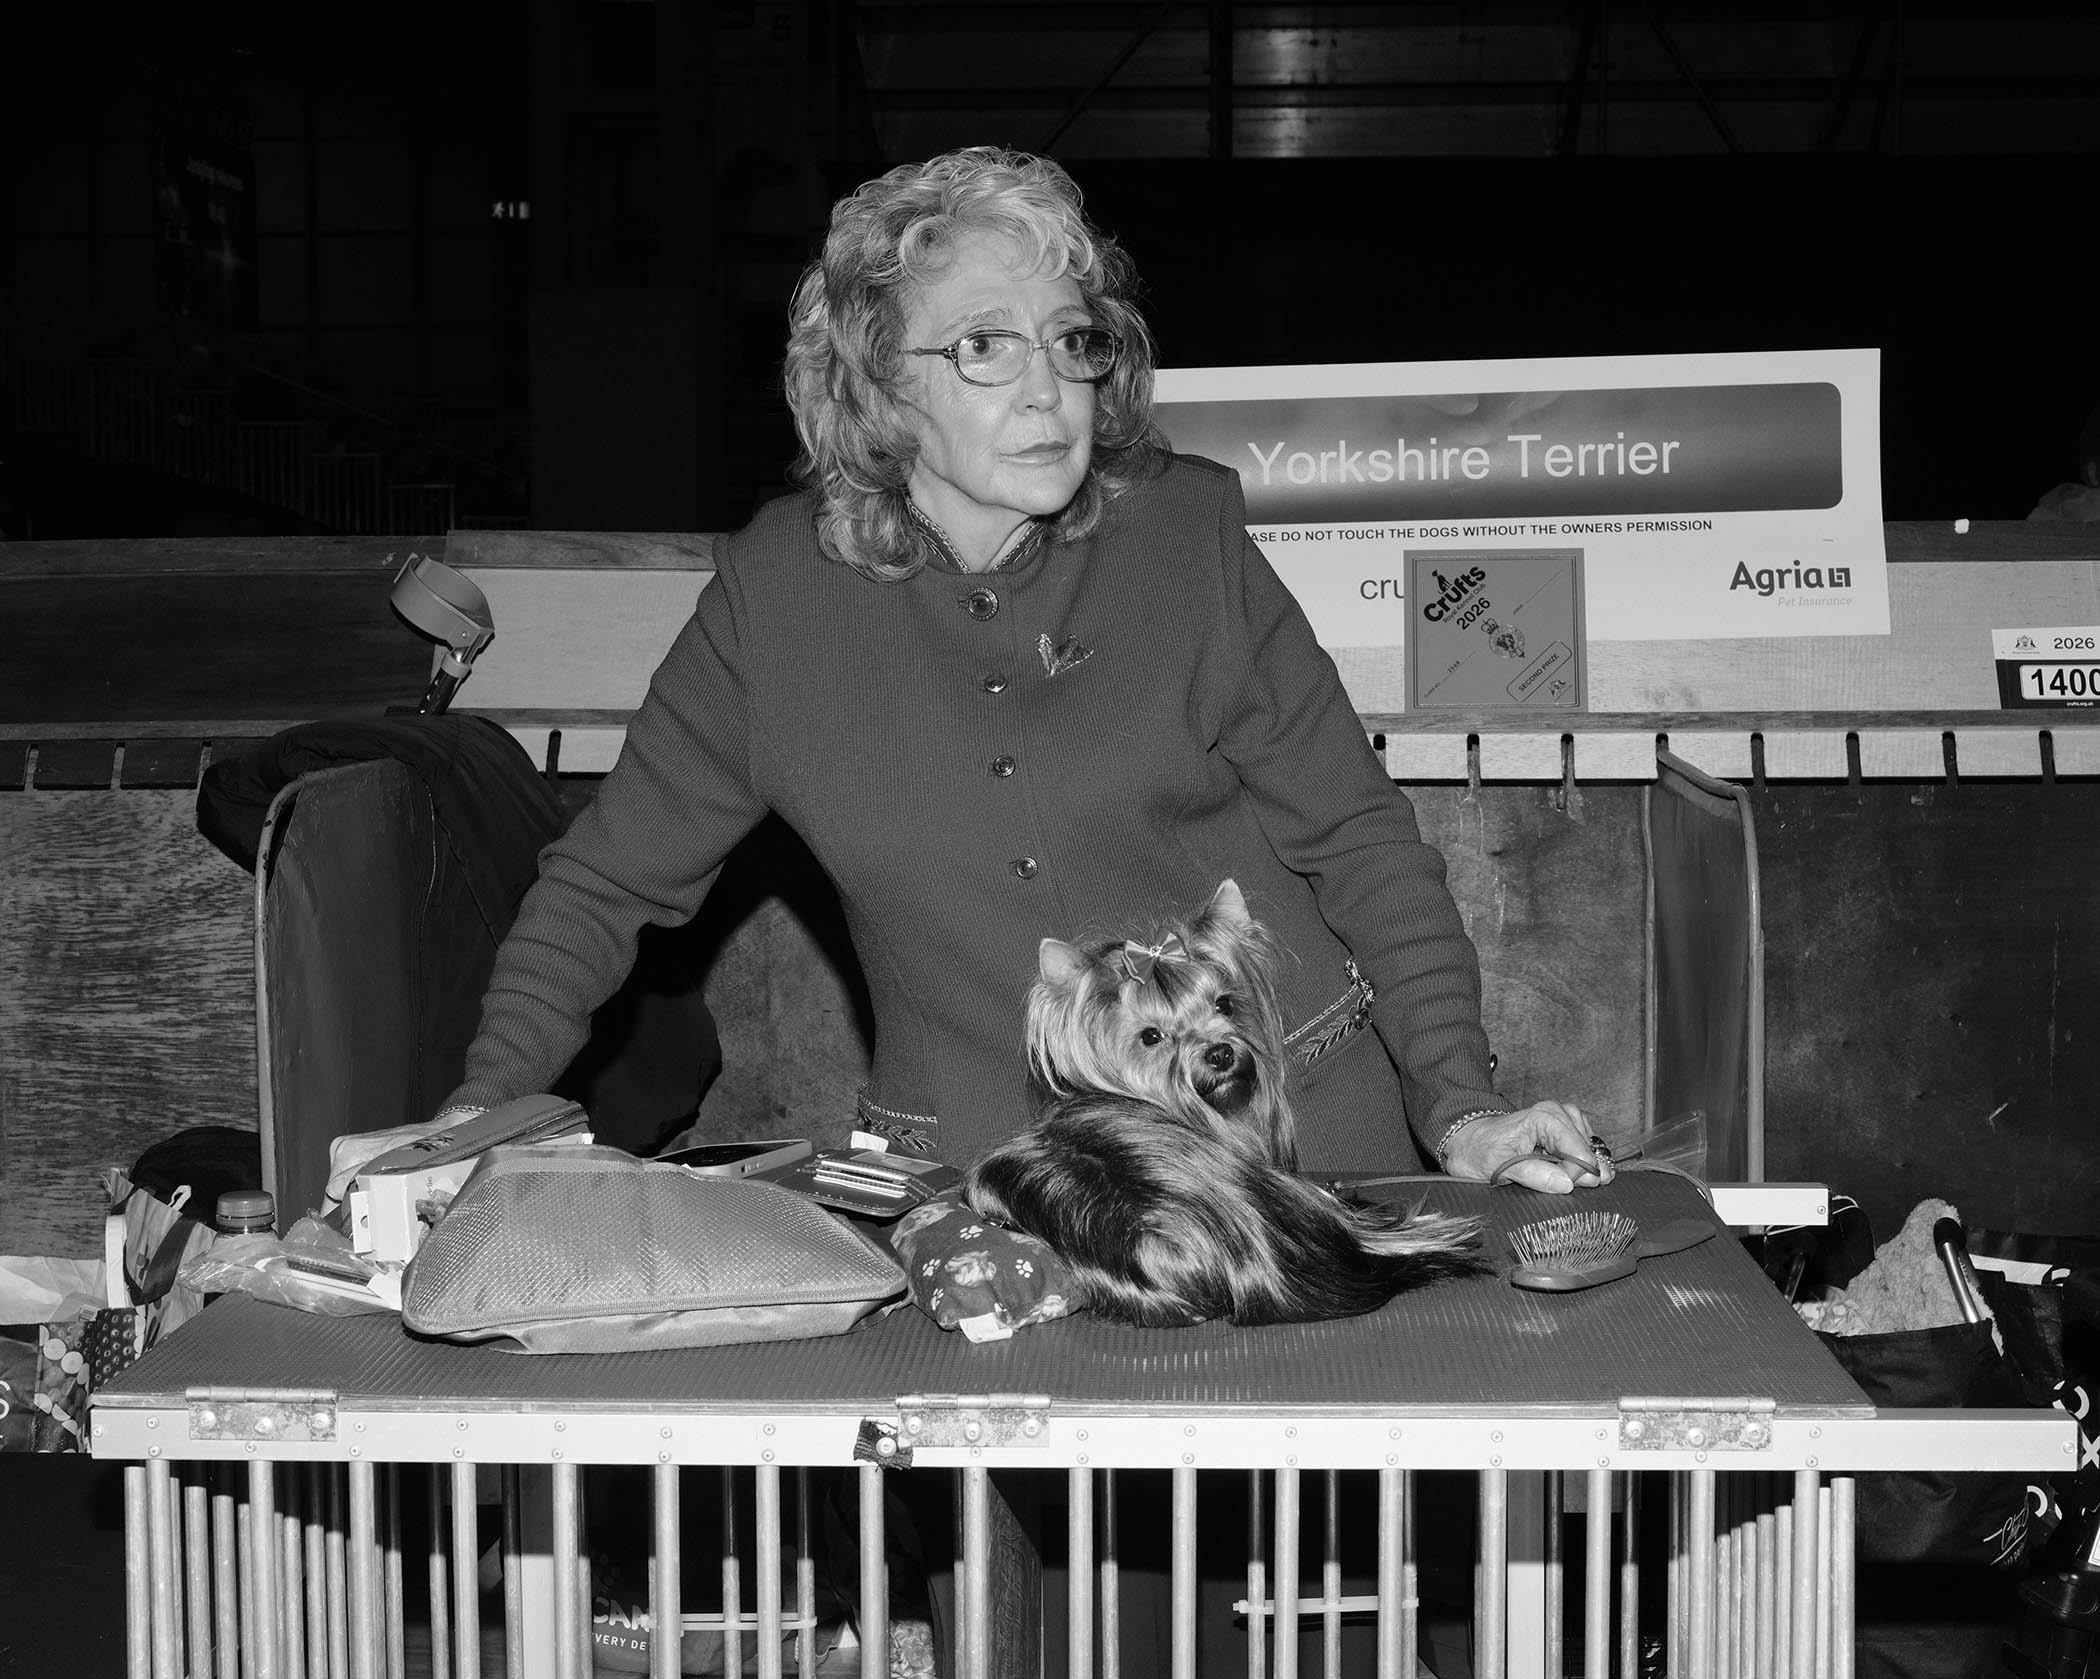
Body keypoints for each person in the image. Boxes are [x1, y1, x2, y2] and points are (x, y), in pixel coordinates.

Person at [434, 145, 1611, 1202]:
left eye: (1071, 338)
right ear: (879, 380)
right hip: (991, 1189)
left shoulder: (1186, 535)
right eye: (987, 346)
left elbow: (1360, 840)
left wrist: (1460, 1105)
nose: (1049, 388)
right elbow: (600, 889)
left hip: (1291, 1142)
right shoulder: (770, 605)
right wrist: (477, 1112)